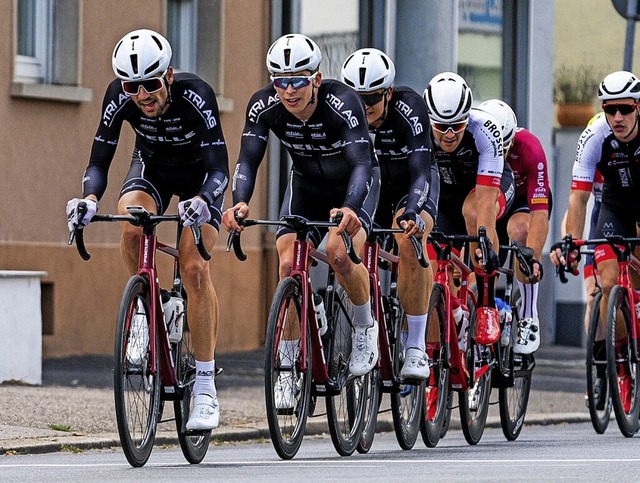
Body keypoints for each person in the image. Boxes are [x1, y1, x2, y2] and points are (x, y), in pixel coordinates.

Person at [66, 29, 229, 431]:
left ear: (169, 76)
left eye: (151, 85)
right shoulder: (119, 96)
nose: (143, 95)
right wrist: (88, 199)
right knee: (131, 224)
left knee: (193, 269)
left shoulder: (198, 95)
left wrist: (205, 201)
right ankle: (146, 307)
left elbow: (220, 168)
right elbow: (100, 159)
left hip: (200, 179)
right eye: (132, 86)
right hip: (151, 167)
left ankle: (206, 388)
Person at [221, 34, 380, 406]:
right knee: (289, 262)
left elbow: (360, 163)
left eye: (297, 80)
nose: (288, 90)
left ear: (317, 80)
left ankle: (363, 325)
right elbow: (247, 160)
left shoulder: (343, 102)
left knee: (340, 254)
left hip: (354, 186)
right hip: (307, 185)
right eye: (280, 80)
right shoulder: (264, 106)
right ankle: (289, 367)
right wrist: (240, 203)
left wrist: (352, 208)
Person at [340, 48, 438, 380]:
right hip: (375, 188)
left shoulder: (410, 108)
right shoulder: (344, 114)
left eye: (372, 99)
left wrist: (413, 211)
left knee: (410, 236)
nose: (364, 107)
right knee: (345, 239)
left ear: (389, 92)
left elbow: (422, 172)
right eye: (357, 98)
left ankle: (415, 347)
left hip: (412, 184)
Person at [550, 71, 640, 365]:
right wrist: (571, 243)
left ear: (637, 107)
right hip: (613, 205)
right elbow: (579, 197)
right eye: (610, 109)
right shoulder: (595, 136)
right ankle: (619, 352)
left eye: (625, 109)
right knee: (608, 282)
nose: (618, 117)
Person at [423, 72, 515, 347]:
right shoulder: (418, 130)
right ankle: (447, 323)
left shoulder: (485, 129)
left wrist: (484, 242)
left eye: (457, 125)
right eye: (441, 126)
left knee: (474, 215)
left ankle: (487, 304)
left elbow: (486, 201)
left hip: (485, 190)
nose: (449, 134)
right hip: (445, 198)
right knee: (429, 265)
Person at [476, 99, 551, 355]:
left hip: (522, 201)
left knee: (520, 233)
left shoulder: (530, 148)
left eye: (504, 149)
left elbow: (540, 212)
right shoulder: (476, 142)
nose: (500, 156)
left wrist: (535, 256)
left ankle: (529, 315)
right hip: (492, 199)